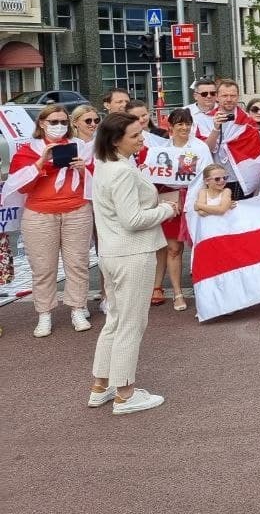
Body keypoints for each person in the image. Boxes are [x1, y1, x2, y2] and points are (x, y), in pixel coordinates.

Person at [87, 112, 181, 415]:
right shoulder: (122, 171)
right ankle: (125, 393)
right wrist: (167, 210)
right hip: (131, 254)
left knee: (115, 320)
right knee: (130, 323)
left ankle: (102, 386)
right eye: (135, 135)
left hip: (113, 253)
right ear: (116, 141)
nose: (142, 138)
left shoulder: (107, 166)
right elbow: (133, 220)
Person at [3, 104, 93, 337]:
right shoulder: (28, 151)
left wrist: (84, 169)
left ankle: (77, 308)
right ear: (42, 124)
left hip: (77, 210)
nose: (59, 126)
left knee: (78, 263)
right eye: (54, 122)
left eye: (64, 122)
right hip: (40, 213)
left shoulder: (82, 148)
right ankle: (44, 314)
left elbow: (97, 183)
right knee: (43, 267)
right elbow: (19, 186)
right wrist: (40, 162)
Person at [151, 108, 211, 313]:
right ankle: (177, 293)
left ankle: (204, 289)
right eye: (180, 124)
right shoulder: (162, 150)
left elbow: (208, 175)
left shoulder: (200, 148)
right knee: (174, 249)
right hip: (172, 202)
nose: (184, 128)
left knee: (200, 247)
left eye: (187, 123)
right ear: (171, 127)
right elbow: (156, 176)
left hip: (194, 201)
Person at [205, 78, 260, 201]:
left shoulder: (248, 123)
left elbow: (257, 155)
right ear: (217, 97)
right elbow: (205, 149)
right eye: (224, 95)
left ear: (238, 97)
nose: (229, 99)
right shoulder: (204, 120)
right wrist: (216, 129)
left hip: (240, 178)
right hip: (213, 179)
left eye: (233, 95)